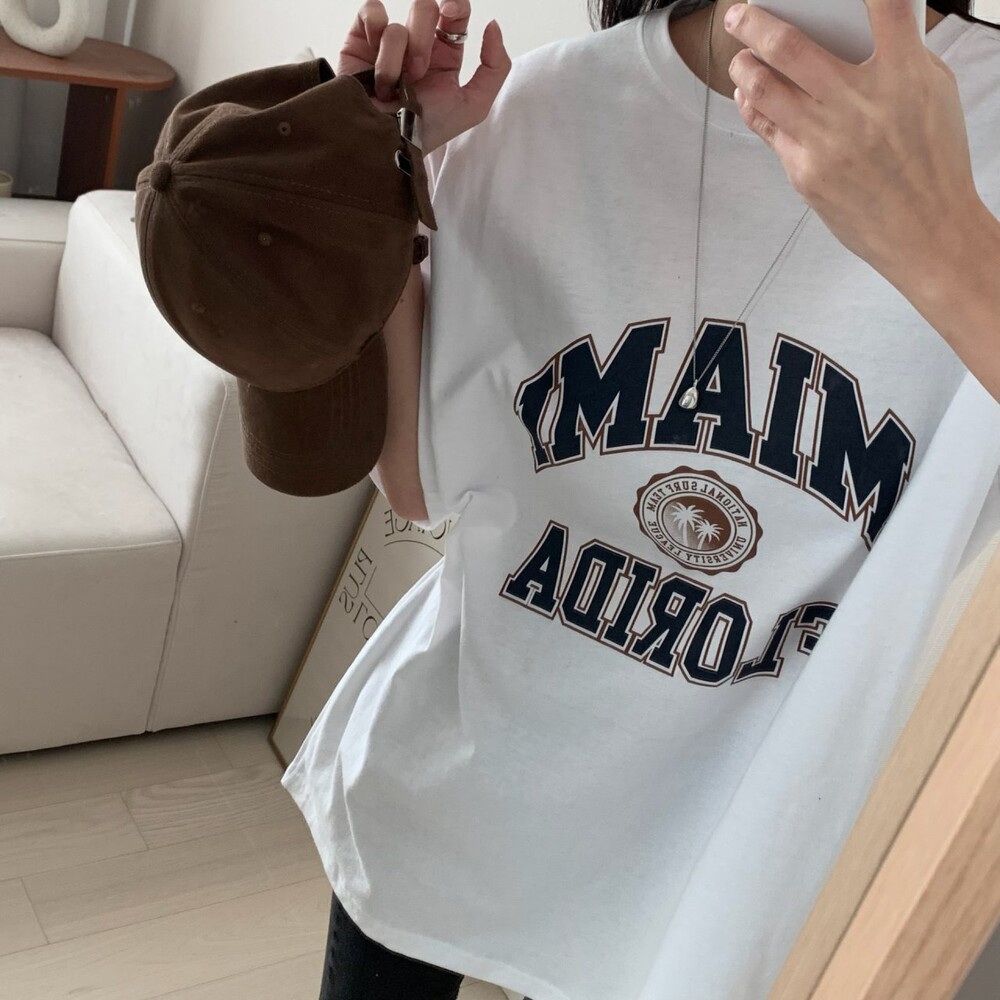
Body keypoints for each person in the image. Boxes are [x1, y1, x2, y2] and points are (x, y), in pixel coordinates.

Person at [281, 1, 1000, 998]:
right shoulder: (548, 106)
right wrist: (383, 173)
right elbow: (415, 479)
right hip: (455, 800)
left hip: (702, 881)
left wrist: (949, 245)